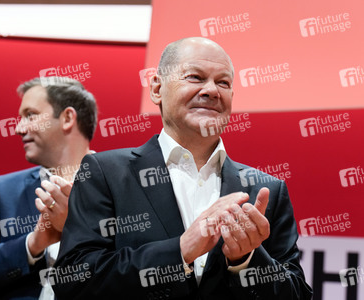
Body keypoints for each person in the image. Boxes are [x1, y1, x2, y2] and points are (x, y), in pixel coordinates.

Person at [52, 38, 312, 299]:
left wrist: (246, 260)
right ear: (157, 89)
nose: (211, 90)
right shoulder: (105, 173)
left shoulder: (266, 190)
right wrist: (180, 250)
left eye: (223, 82)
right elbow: (73, 283)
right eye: (195, 77)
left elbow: (298, 294)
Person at [0, 76, 98, 299]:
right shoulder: (4, 190)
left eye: (31, 115)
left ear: (67, 118)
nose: (19, 128)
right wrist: (32, 244)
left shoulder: (119, 182)